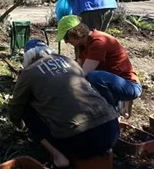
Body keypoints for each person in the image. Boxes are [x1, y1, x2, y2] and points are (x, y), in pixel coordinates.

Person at [9, 39, 119, 168]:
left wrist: (19, 124)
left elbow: (16, 106)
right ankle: (106, 151)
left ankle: (58, 157)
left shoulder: (29, 73)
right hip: (112, 129)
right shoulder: (70, 61)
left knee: (27, 108)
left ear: (27, 56)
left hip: (79, 140)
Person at [55, 15, 142, 108]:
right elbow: (77, 67)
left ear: (75, 33)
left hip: (129, 86)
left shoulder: (98, 42)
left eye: (66, 38)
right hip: (110, 83)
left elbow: (84, 73)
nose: (66, 42)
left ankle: (111, 109)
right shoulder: (83, 44)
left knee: (93, 77)